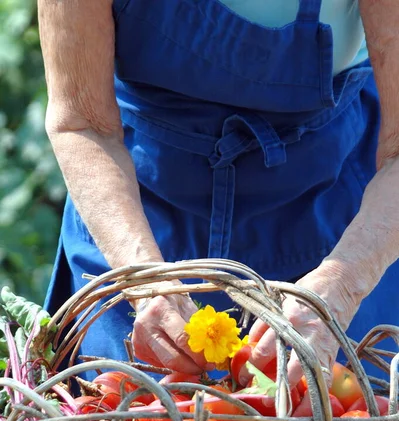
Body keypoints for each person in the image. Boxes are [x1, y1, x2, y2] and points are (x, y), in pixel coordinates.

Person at [38, 0, 399, 386]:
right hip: (132, 215)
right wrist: (144, 283)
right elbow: (82, 123)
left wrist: (342, 285)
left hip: (337, 218)